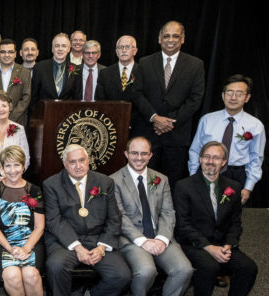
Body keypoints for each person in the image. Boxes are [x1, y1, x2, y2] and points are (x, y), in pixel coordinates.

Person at [42, 144, 131, 296]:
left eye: (82, 161)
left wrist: (102, 247)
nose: (78, 166)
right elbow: (54, 220)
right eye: (72, 162)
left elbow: (114, 219)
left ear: (88, 161)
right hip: (66, 241)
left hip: (98, 239)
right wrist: (77, 247)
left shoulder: (105, 182)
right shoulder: (52, 184)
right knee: (56, 265)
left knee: (122, 275)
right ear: (65, 164)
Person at [174, 141, 258, 296]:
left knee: (248, 267)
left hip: (222, 244)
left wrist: (229, 245)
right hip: (193, 244)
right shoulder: (183, 186)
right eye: (207, 157)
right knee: (209, 266)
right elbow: (183, 225)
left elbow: (236, 223)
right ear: (200, 159)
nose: (210, 162)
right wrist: (208, 247)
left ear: (224, 162)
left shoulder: (233, 187)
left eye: (216, 158)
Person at [110, 137, 193, 296]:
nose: (139, 158)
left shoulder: (160, 179)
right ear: (126, 154)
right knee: (146, 271)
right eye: (135, 153)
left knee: (184, 269)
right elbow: (119, 217)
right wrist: (143, 241)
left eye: (144, 154)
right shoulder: (113, 180)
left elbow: (168, 213)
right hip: (132, 238)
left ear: (150, 155)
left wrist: (162, 239)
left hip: (160, 236)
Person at [0, 146, 50, 296]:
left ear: (23, 166)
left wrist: (25, 248)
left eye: (17, 165)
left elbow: (39, 227)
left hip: (30, 242)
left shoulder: (34, 190)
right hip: (4, 242)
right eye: (8, 166)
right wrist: (11, 249)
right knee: (12, 275)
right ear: (2, 168)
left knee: (31, 274)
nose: (13, 170)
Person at [137, 20, 205, 186]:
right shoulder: (145, 63)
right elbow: (137, 94)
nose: (171, 39)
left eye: (176, 36)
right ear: (160, 39)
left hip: (177, 135)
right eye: (166, 35)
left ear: (182, 39)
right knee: (145, 182)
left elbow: (195, 99)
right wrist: (155, 118)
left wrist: (169, 122)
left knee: (173, 183)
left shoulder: (195, 65)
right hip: (149, 133)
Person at [188, 74, 265, 205]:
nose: (233, 97)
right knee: (204, 214)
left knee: (232, 218)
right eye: (229, 92)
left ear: (247, 98)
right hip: (207, 171)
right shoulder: (207, 120)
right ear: (223, 95)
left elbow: (256, 158)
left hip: (236, 175)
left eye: (239, 93)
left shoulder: (255, 125)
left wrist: (248, 187)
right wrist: (194, 177)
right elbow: (195, 150)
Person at [95, 35, 148, 133]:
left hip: (138, 127)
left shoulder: (144, 72)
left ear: (135, 51)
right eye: (120, 47)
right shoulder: (105, 73)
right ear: (116, 51)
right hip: (110, 126)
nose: (123, 50)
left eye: (127, 47)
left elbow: (147, 99)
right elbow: (100, 101)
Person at [0, 39, 32, 126]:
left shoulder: (25, 72)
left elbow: (26, 98)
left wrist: (9, 119)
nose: (6, 55)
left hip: (16, 122)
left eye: (10, 52)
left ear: (15, 54)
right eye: (3, 52)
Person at [31, 33, 80, 103]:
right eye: (57, 46)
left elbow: (76, 98)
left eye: (64, 46)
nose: (60, 49)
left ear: (69, 49)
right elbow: (34, 97)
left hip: (67, 112)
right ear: (52, 49)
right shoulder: (39, 68)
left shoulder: (76, 69)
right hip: (44, 112)